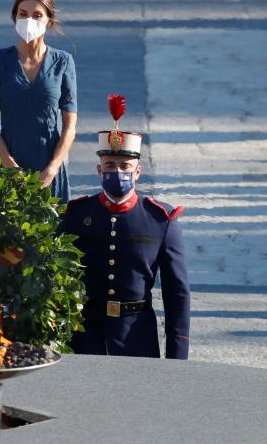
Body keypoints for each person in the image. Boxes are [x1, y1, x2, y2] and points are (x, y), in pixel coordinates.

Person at [59, 94, 190, 359]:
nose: (117, 172)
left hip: (136, 338)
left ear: (138, 172)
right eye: (110, 165)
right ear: (98, 170)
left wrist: (178, 356)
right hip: (85, 337)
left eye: (124, 166)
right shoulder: (76, 215)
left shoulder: (160, 220)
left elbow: (176, 293)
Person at [0, 0, 77, 203]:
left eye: (37, 16)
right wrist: (10, 167)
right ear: (14, 17)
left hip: (49, 170)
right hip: (8, 169)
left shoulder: (63, 61)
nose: (29, 21)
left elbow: (70, 125)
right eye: (23, 14)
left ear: (49, 21)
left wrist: (52, 169)